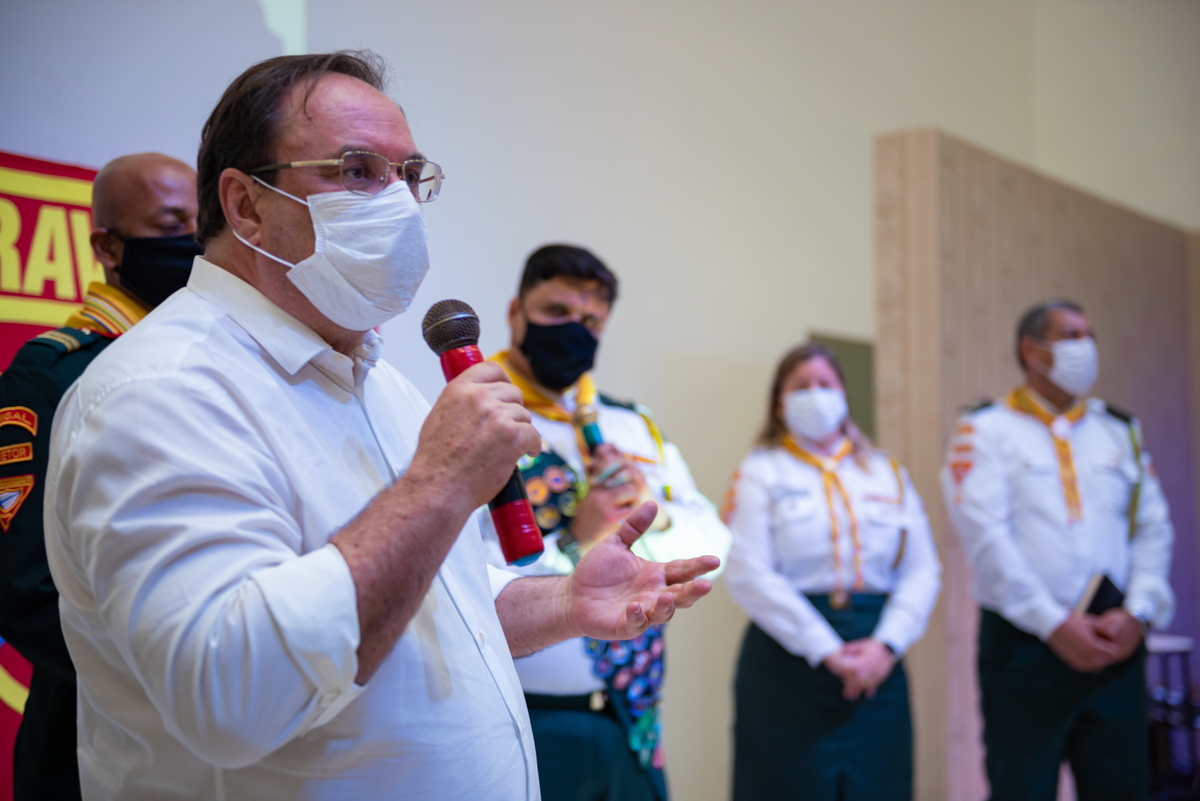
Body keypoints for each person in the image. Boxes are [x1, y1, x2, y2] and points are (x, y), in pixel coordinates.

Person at [43, 52, 719, 800]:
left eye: (409, 176)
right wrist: (441, 481)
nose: (397, 203)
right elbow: (230, 696)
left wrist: (563, 603)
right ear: (245, 204)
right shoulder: (158, 392)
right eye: (357, 171)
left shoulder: (378, 381)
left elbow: (434, 601)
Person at [482, 244, 732, 801]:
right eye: (556, 312)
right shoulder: (479, 420)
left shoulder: (633, 424)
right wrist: (582, 540)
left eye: (592, 321)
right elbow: (465, 576)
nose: (576, 329)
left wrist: (653, 516)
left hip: (634, 721)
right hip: (527, 714)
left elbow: (711, 538)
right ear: (516, 313)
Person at [0, 152, 201, 801]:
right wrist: (165, 674)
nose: (195, 242)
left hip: (215, 728)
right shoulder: (54, 375)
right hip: (89, 730)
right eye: (171, 226)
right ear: (108, 247)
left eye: (203, 223)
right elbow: (24, 584)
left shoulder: (210, 366)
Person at [940, 299, 1173, 801]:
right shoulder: (986, 429)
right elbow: (986, 539)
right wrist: (1054, 624)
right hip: (1025, 648)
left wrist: (1138, 612)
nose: (1085, 347)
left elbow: (1153, 530)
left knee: (1122, 787)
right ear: (1032, 350)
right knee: (1022, 788)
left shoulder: (1119, 431)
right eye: (1070, 336)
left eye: (1089, 336)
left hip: (1115, 643)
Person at [723, 341, 941, 801]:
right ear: (779, 403)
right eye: (800, 386)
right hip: (788, 659)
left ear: (843, 394)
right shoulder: (760, 471)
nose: (815, 394)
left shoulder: (886, 472)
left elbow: (922, 570)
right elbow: (747, 571)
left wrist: (886, 645)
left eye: (825, 383)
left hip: (877, 657)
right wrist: (826, 650)